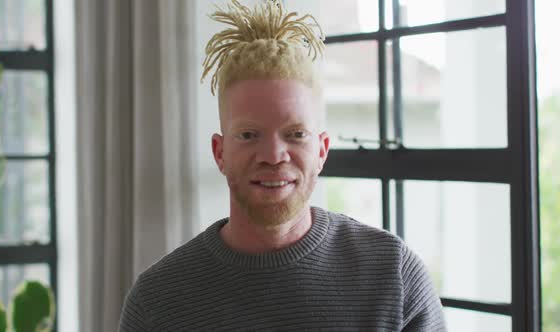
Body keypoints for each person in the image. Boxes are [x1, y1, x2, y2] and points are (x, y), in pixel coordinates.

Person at [118, 0, 446, 330]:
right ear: (220, 152)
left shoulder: (394, 278)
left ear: (322, 150)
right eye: (248, 134)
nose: (274, 155)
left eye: (295, 134)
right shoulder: (156, 303)